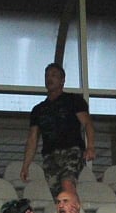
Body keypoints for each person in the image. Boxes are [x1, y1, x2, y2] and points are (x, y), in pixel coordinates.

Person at [19, 63, 94, 197]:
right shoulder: (38, 109)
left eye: (54, 75)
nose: (50, 78)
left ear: (62, 80)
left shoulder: (73, 100)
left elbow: (87, 123)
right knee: (58, 196)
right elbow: (32, 139)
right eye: (47, 75)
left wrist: (91, 147)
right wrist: (26, 165)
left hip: (72, 150)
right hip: (50, 155)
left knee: (67, 184)